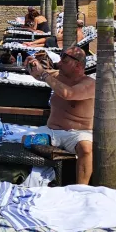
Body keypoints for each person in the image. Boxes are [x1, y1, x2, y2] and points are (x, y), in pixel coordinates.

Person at [27, 46, 96, 184]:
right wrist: (32, 65)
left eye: (64, 59)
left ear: (77, 64)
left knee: (86, 149)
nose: (59, 63)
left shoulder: (90, 84)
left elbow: (68, 94)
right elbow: (37, 74)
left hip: (78, 133)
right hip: (52, 131)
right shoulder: (58, 76)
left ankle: (81, 188)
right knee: (23, 140)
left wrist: (45, 74)